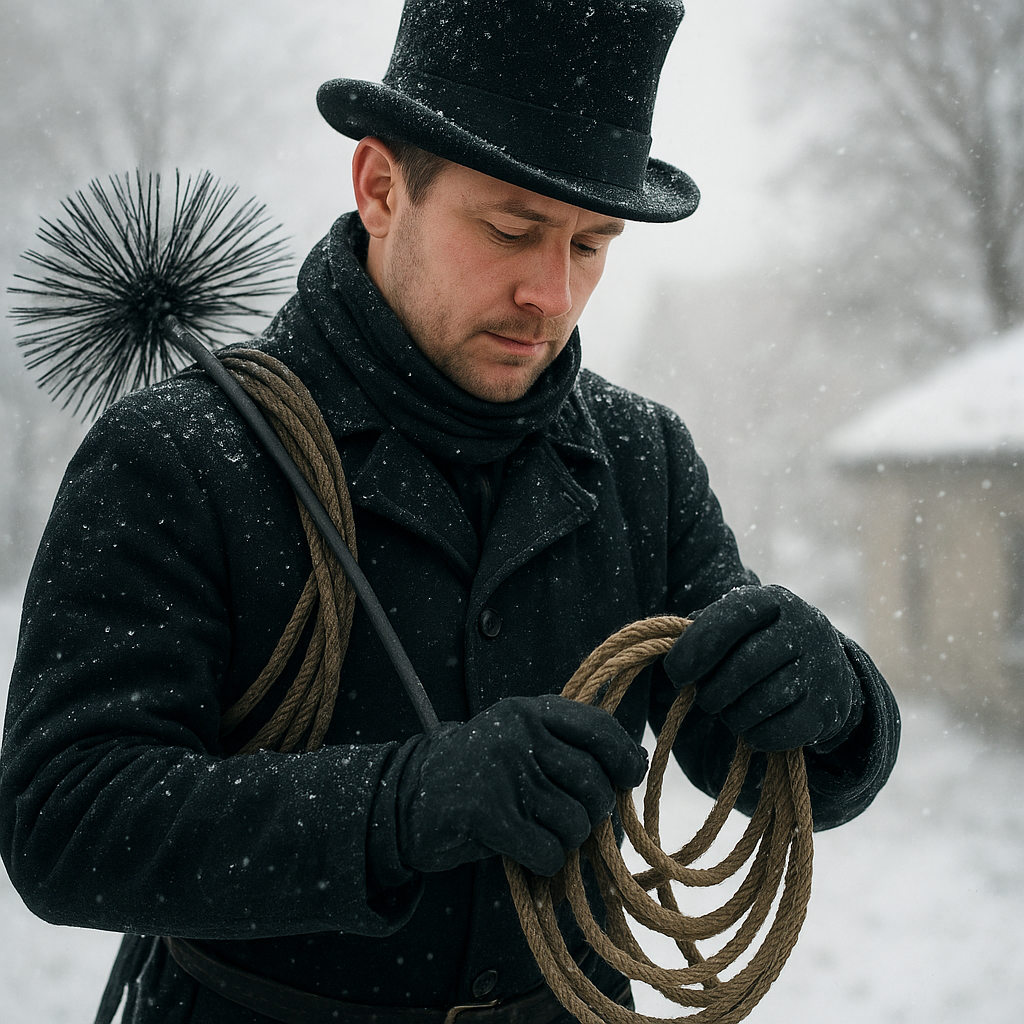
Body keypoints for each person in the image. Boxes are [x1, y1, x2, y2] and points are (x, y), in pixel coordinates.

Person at [0, 3, 900, 1024]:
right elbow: (63, 822)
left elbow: (751, 763)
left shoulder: (641, 460)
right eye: (510, 230)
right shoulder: (183, 454)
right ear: (381, 187)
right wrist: (399, 806)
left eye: (592, 246)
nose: (550, 294)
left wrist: (831, 705)